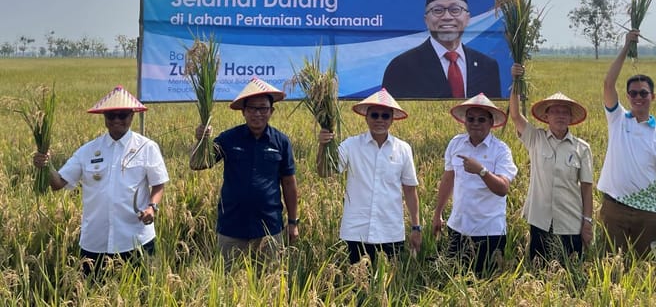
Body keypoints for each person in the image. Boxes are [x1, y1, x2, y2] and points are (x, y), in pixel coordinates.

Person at [32, 86, 169, 277]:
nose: (117, 120)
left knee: (142, 289)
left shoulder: (146, 147)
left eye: (122, 115)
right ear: (104, 117)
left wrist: (152, 207)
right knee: (91, 289)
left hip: (135, 238)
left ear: (132, 116)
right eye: (111, 115)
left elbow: (158, 183)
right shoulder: (88, 151)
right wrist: (46, 166)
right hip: (95, 242)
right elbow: (58, 183)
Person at [191, 77, 299, 267]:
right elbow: (197, 164)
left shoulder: (281, 142)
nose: (257, 114)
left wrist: (292, 222)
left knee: (269, 280)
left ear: (271, 111)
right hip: (232, 226)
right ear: (243, 111)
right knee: (228, 279)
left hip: (269, 227)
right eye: (252, 109)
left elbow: (289, 183)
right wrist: (201, 141)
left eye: (263, 108)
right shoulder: (228, 139)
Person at [317, 88, 421, 264]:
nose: (380, 120)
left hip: (390, 231)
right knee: (356, 278)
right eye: (374, 115)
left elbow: (410, 190)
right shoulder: (351, 145)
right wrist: (322, 145)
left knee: (389, 279)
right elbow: (324, 172)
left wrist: (416, 227)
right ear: (366, 117)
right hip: (356, 230)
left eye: (385, 116)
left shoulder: (403, 149)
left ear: (392, 119)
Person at [597, 29, 656, 256]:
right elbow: (608, 84)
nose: (638, 98)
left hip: (648, 211)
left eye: (643, 93)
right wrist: (626, 46)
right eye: (633, 93)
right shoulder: (618, 119)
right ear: (628, 96)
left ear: (653, 96)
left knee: (645, 265)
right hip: (614, 207)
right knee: (611, 263)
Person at [508, 63, 593, 264]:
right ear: (546, 117)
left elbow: (587, 188)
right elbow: (515, 115)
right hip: (540, 220)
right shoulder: (535, 138)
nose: (560, 115)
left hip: (570, 221)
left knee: (570, 272)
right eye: (555, 111)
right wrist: (515, 82)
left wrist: (587, 222)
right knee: (539, 270)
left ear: (571, 118)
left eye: (565, 112)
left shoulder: (582, 148)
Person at [432, 93, 517, 274]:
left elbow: (503, 188)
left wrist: (481, 171)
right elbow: (448, 179)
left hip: (489, 231)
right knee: (454, 277)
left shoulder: (501, 150)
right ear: (465, 121)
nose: (475, 123)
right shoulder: (456, 144)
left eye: (481, 119)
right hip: (458, 227)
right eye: (470, 119)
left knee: (487, 281)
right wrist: (438, 212)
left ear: (491, 122)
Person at [381, 0, 501, 99]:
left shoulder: (487, 66)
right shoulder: (402, 67)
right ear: (426, 20)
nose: (447, 17)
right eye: (438, 10)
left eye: (455, 10)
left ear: (467, 18)